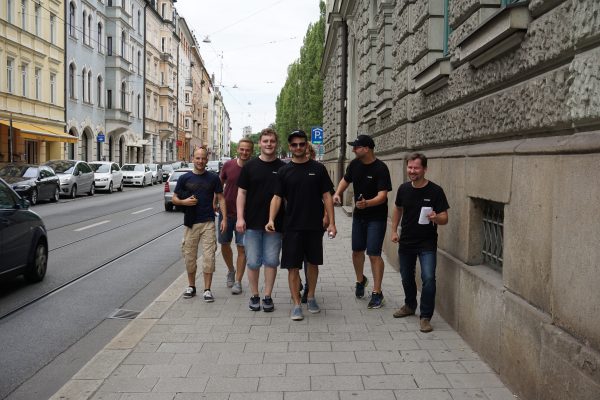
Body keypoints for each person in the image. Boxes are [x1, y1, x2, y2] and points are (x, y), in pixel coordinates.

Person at [266, 130, 337, 321]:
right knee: (292, 267)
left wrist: (332, 222)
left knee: (313, 263)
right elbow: (277, 197)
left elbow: (327, 196)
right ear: (290, 147)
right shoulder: (284, 171)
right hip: (292, 226)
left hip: (314, 226)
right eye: (295, 144)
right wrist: (271, 219)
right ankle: (297, 304)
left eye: (301, 144)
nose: (298, 147)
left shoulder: (319, 169)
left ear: (306, 146)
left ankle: (311, 296)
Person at [391, 152, 449, 333]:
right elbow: (398, 209)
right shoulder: (403, 189)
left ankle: (425, 316)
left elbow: (445, 218)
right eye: (410, 167)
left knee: (429, 278)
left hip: (427, 243)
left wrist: (436, 217)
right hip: (406, 240)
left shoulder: (436, 191)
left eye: (416, 168)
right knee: (406, 277)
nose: (412, 171)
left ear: (424, 169)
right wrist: (393, 230)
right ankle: (410, 305)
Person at [333, 134, 392, 309]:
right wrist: (338, 193)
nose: (353, 150)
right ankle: (360, 280)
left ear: (366, 149)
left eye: (356, 147)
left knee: (373, 254)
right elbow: (345, 180)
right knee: (356, 251)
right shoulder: (355, 164)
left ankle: (377, 292)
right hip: (359, 216)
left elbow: (382, 196)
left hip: (376, 217)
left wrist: (367, 204)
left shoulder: (381, 168)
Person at [236, 128, 286, 312]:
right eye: (265, 141)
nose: (269, 144)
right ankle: (255, 295)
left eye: (272, 141)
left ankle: (267, 296)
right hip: (251, 222)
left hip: (275, 223)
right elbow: (241, 193)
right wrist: (240, 218)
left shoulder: (283, 167)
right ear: (260, 144)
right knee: (253, 261)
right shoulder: (249, 167)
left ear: (276, 143)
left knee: (272, 261)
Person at [172, 147, 226, 302]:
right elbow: (175, 198)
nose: (200, 161)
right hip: (190, 223)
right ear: (193, 159)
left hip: (208, 221)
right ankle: (191, 286)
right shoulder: (184, 178)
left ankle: (207, 289)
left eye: (203, 158)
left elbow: (221, 198)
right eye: (197, 158)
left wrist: (224, 219)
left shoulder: (213, 178)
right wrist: (184, 202)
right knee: (189, 256)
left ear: (207, 160)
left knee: (209, 257)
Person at [218, 138, 254, 294]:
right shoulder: (228, 165)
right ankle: (231, 270)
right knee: (224, 244)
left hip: (245, 215)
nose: (244, 152)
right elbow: (220, 183)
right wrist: (215, 200)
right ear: (237, 150)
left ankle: (238, 281)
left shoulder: (254, 167)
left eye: (247, 150)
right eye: (242, 149)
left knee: (242, 249)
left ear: (251, 151)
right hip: (226, 212)